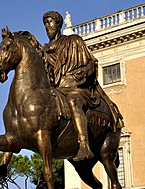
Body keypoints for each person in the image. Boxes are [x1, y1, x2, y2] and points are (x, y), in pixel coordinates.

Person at [42, 11, 123, 161]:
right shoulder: (45, 50)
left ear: (58, 24)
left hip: (77, 88)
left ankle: (83, 145)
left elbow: (91, 62)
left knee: (73, 99)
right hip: (58, 89)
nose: (47, 26)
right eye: (45, 23)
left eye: (50, 22)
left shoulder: (73, 40)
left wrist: (84, 73)